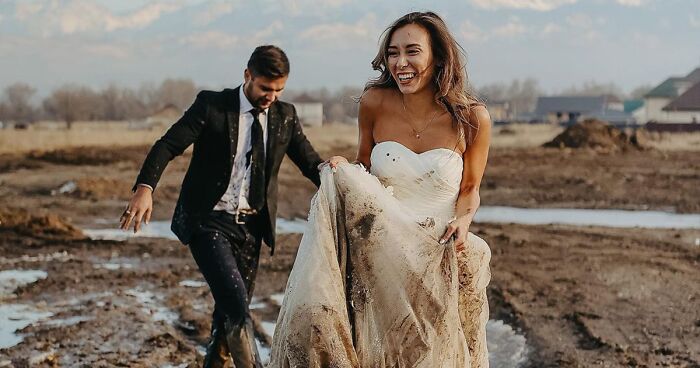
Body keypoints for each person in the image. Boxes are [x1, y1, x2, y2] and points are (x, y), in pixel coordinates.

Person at [269, 11, 492, 367]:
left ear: (437, 55)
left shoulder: (472, 117)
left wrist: (464, 222)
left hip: (437, 252)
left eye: (412, 51)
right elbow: (365, 169)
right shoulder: (374, 101)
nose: (400, 62)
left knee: (432, 354)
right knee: (380, 352)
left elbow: (470, 189)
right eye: (392, 53)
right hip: (379, 255)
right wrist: (346, 169)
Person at [120, 45, 323, 368]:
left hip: (252, 228)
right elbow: (168, 145)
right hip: (208, 221)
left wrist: (343, 181)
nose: (271, 96)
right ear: (247, 76)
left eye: (279, 89)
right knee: (237, 305)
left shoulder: (285, 116)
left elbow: (310, 163)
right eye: (265, 88)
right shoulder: (212, 106)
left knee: (226, 311)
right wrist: (145, 188)